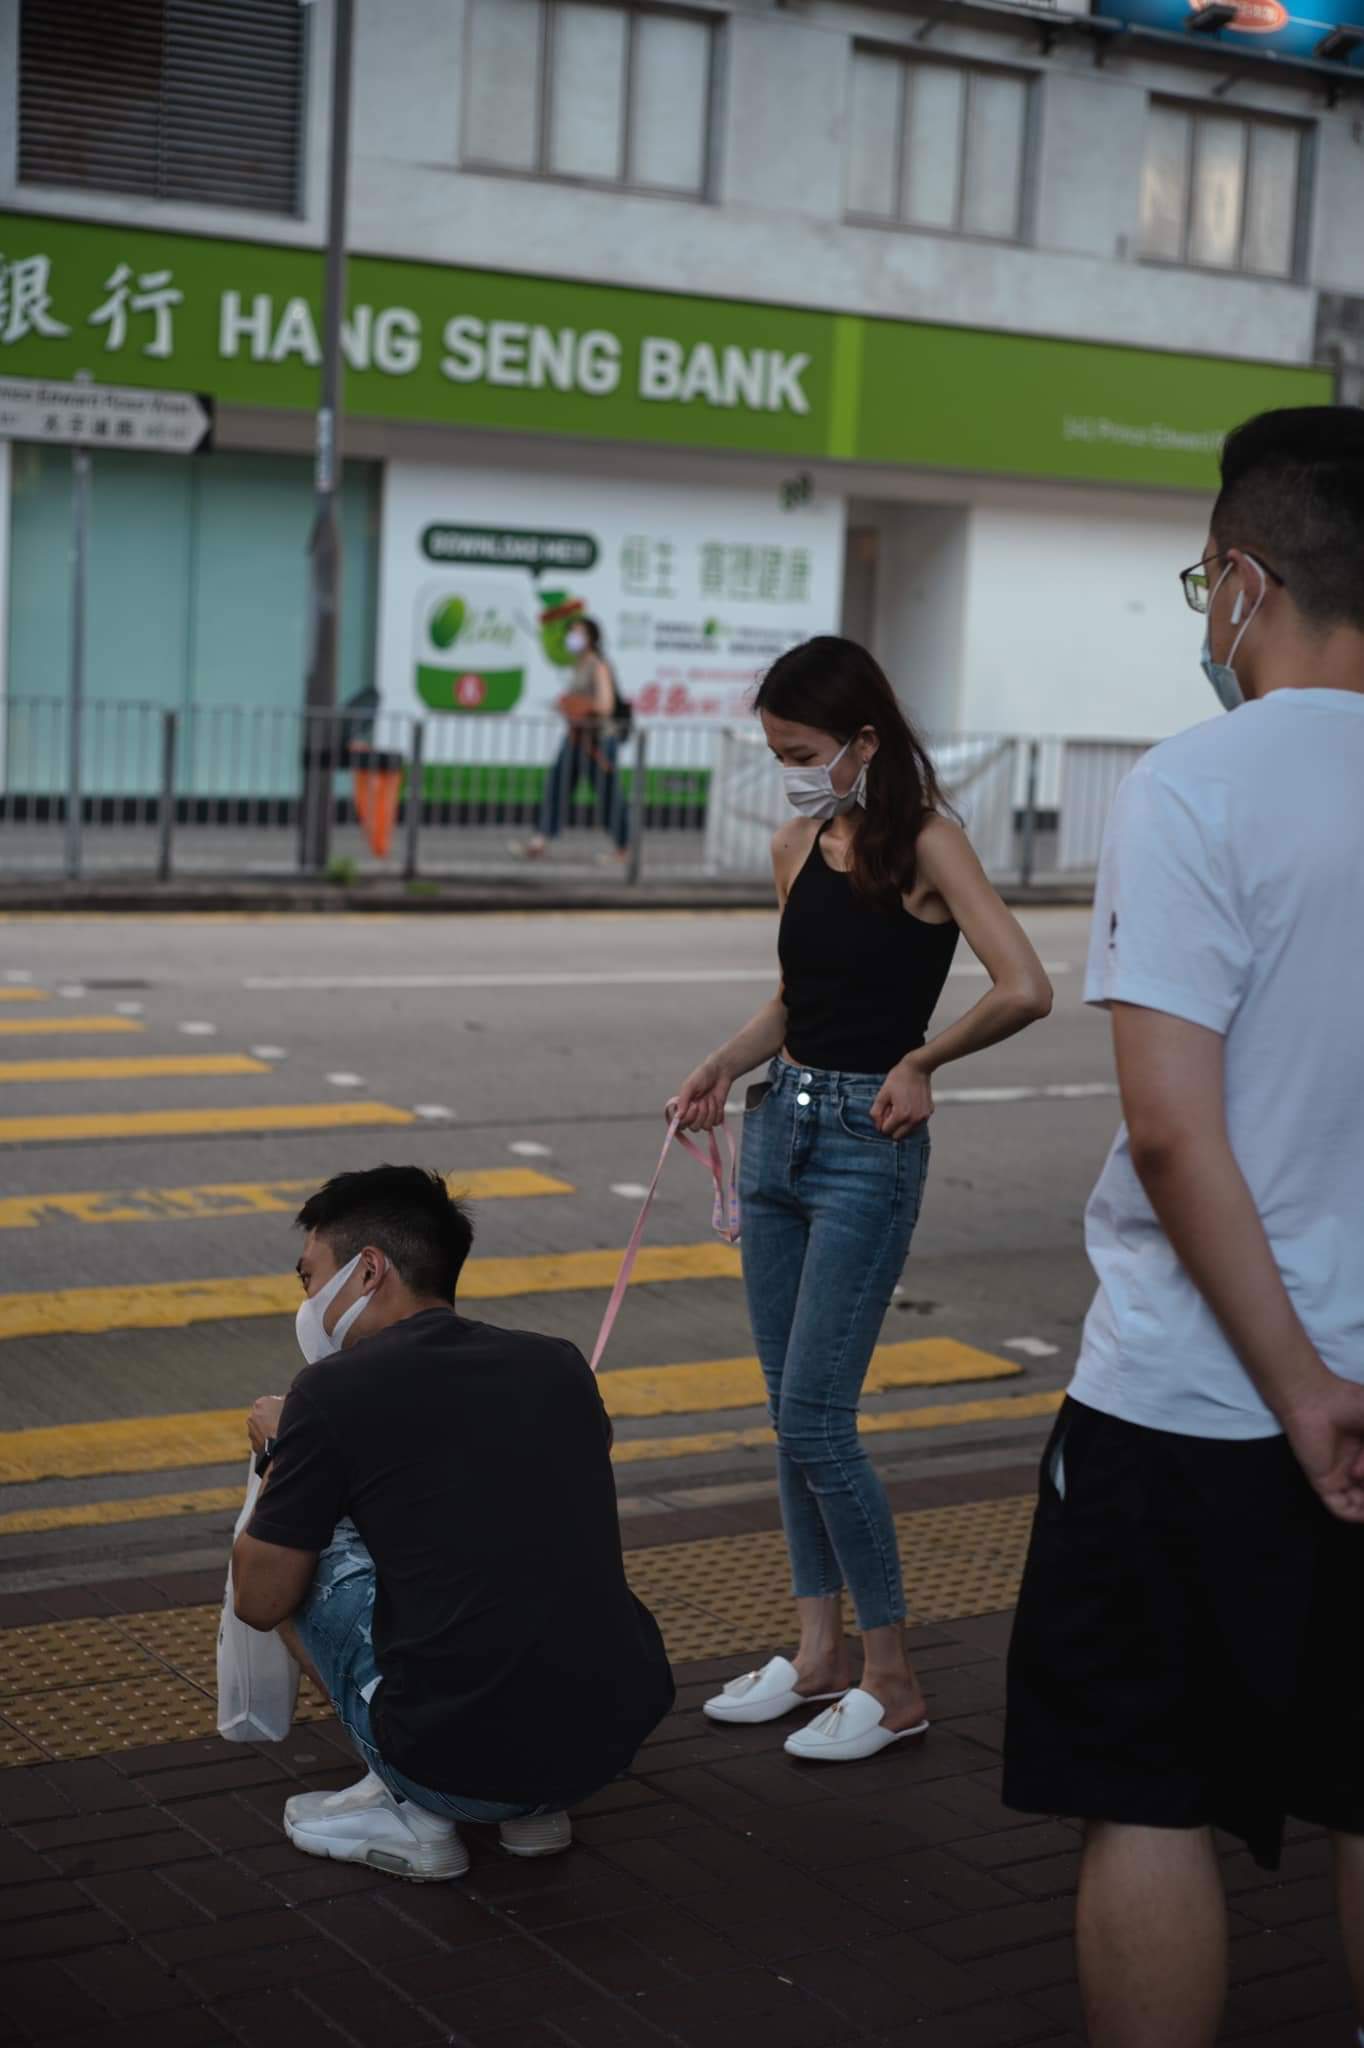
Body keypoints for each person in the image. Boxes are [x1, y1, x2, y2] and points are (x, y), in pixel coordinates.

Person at [1002, 407, 1364, 2048]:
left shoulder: (1192, 784)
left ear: (1240, 577)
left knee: (1140, 1791)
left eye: (1190, 583)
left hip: (1196, 1401)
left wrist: (1295, 1383)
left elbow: (1166, 1124)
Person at [668, 636, 1052, 1763]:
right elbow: (794, 996)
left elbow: (1024, 985)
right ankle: (817, 1651)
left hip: (864, 1145)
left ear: (864, 741)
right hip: (777, 1129)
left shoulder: (928, 841)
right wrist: (720, 1066)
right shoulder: (796, 845)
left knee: (815, 1418)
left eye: (802, 751)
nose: (788, 772)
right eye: (776, 753)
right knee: (787, 1409)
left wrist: (922, 1060)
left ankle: (892, 1682)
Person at [232, 1164, 674, 1883]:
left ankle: (412, 1806)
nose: (307, 1300)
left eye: (309, 1277)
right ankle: (528, 1812)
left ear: (369, 1270)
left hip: (457, 1770)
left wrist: (282, 1450)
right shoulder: (556, 1363)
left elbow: (259, 1601)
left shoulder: (330, 1393)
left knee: (290, 1544)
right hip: (603, 1752)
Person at [525, 616, 631, 862]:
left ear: (591, 637)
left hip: (598, 740)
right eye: (571, 632)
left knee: (607, 794)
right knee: (557, 785)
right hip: (575, 736)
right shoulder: (578, 665)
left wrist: (579, 706)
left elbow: (605, 705)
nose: (573, 637)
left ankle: (624, 848)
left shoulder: (598, 665)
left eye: (578, 633)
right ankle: (541, 839)